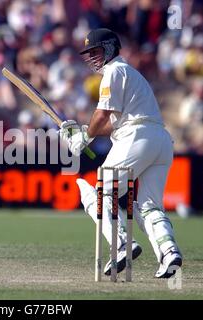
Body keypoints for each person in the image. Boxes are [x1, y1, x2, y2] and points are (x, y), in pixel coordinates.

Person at [60, 28, 182, 278]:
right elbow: (113, 124)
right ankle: (169, 252)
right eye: (89, 53)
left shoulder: (113, 71)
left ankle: (122, 245)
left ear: (109, 48)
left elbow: (101, 115)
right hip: (160, 141)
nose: (92, 57)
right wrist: (83, 131)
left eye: (95, 51)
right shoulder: (131, 74)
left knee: (101, 192)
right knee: (149, 206)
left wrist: (84, 137)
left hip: (136, 138)